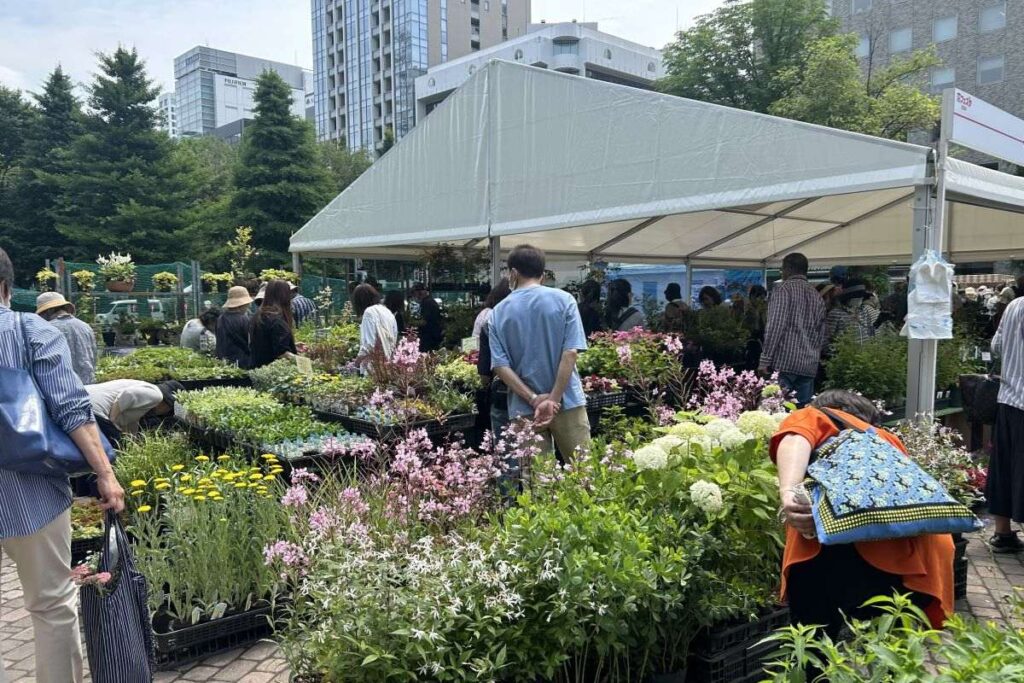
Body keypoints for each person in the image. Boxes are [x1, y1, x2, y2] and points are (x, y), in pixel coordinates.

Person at [0, 247, 125, 683]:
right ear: (7, 287)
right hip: (27, 489)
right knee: (52, 606)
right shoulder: (27, 329)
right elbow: (72, 409)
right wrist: (105, 475)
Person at [772, 389, 954, 638]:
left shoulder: (818, 416)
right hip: (906, 560)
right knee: (891, 653)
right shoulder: (885, 440)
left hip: (826, 551)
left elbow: (795, 437)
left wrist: (789, 494)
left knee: (814, 645)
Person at [490, 245, 590, 460]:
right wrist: (553, 399)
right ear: (543, 274)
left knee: (538, 484)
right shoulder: (565, 300)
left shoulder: (498, 312)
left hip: (524, 408)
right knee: (585, 475)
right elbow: (570, 353)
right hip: (568, 400)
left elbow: (500, 365)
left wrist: (535, 399)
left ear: (513, 273)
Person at [759, 252, 826, 407]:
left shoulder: (783, 290)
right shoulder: (817, 295)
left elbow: (776, 326)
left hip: (785, 362)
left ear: (787, 269)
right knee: (802, 414)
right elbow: (822, 333)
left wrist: (765, 360)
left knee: (778, 411)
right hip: (809, 364)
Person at [988, 295, 1024, 552]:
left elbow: (996, 345)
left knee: (1004, 466)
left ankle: (1003, 533)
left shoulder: (1014, 305)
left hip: (1009, 398)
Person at [477, 278, 513, 441]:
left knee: (505, 449)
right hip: (538, 393)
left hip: (502, 394)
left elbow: (484, 373)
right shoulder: (533, 321)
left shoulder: (490, 324)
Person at [35, 292, 97, 385]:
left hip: (62, 389)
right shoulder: (85, 327)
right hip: (88, 385)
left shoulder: (47, 329)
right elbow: (94, 356)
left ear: (49, 311)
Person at [86, 379, 182, 436]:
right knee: (114, 447)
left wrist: (133, 441)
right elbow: (128, 394)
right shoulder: (156, 395)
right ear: (167, 405)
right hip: (93, 407)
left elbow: (131, 423)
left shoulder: (144, 400)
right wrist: (113, 420)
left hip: (82, 398)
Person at [249, 279, 298, 369]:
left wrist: (293, 345)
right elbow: (282, 353)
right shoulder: (277, 321)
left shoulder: (258, 316)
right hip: (274, 371)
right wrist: (302, 361)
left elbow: (267, 343)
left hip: (258, 369)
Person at [352, 284, 399, 369]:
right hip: (386, 365)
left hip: (372, 367)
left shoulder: (369, 312)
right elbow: (394, 336)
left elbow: (368, 345)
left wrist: (355, 364)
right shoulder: (387, 311)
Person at [825, 280, 876, 346]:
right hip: (844, 354)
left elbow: (870, 330)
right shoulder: (836, 313)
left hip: (865, 354)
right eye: (857, 298)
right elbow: (827, 337)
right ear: (848, 298)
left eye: (861, 297)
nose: (860, 299)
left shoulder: (863, 311)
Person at [216, 286, 253, 368]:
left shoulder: (221, 318)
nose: (249, 306)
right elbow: (250, 343)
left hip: (224, 361)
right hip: (241, 362)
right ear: (242, 304)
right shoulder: (243, 319)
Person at [410, 283, 445, 352]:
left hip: (429, 337)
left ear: (419, 292)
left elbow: (424, 321)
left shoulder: (427, 303)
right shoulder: (429, 301)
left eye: (414, 294)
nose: (415, 296)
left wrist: (412, 323)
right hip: (433, 336)